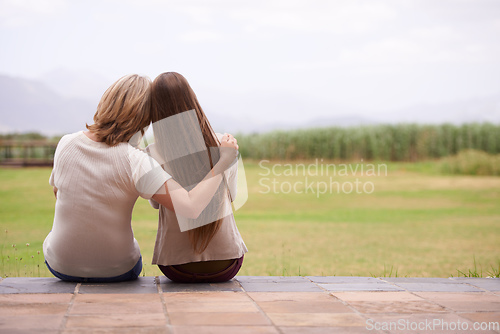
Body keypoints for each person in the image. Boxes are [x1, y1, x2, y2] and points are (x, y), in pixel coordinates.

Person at [43, 74, 238, 283]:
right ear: (145, 119)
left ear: (105, 102)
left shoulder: (66, 143)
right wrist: (222, 163)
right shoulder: (136, 160)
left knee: (50, 240)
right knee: (131, 248)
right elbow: (191, 207)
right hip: (117, 268)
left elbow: (59, 193)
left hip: (60, 264)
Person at [148, 72, 247, 283]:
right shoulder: (224, 145)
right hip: (226, 264)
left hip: (176, 266)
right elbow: (233, 196)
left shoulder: (151, 153)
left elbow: (156, 205)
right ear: (193, 101)